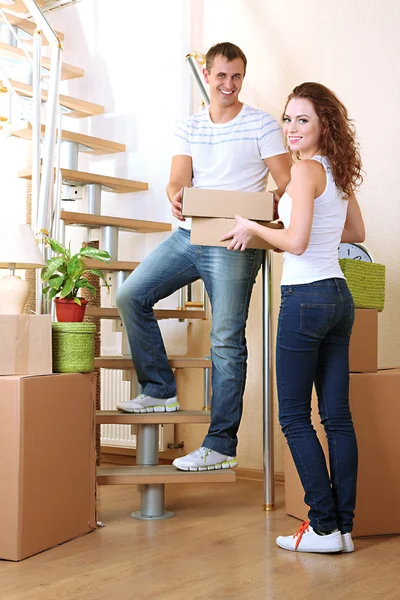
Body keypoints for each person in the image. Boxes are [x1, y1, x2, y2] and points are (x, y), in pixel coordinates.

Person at [115, 42, 291, 471]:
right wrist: (175, 197)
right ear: (208, 76)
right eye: (221, 76)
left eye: (236, 77)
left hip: (235, 240)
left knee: (226, 343)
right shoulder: (190, 126)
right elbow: (177, 180)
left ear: (241, 79)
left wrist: (259, 214)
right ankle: (159, 389)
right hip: (189, 236)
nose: (229, 84)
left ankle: (221, 445)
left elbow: (287, 184)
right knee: (130, 296)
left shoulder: (261, 125)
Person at [221, 82, 365, 553]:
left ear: (324, 123)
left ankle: (321, 526)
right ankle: (342, 528)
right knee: (337, 418)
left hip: (305, 297)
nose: (291, 128)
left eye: (302, 119)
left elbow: (298, 244)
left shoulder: (304, 171)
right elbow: (355, 230)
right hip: (338, 296)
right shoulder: (337, 170)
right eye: (288, 118)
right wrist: (300, 222)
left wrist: (252, 228)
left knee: (295, 419)